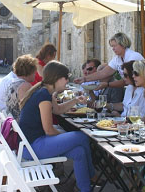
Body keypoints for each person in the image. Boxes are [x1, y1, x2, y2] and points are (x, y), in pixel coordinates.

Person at [19, 61, 95, 192]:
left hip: (31, 144)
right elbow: (49, 130)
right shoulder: (43, 96)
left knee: (79, 152)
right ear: (58, 78)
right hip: (33, 147)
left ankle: (86, 189)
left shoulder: (43, 90)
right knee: (82, 137)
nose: (67, 81)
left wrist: (76, 100)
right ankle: (93, 175)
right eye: (66, 78)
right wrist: (68, 137)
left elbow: (58, 109)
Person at [74, 32, 144, 90]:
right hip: (132, 89)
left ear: (123, 44)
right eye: (112, 46)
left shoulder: (133, 57)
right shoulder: (117, 58)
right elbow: (103, 73)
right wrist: (84, 79)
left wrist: (107, 84)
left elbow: (130, 79)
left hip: (141, 89)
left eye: (114, 46)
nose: (113, 49)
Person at [5, 55, 37, 121]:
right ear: (30, 71)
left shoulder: (12, 82)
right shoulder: (25, 86)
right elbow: (29, 110)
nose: (35, 73)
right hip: (21, 126)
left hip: (13, 123)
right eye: (34, 71)